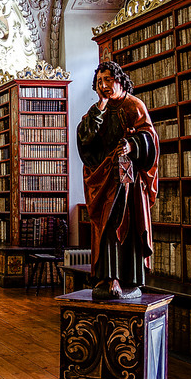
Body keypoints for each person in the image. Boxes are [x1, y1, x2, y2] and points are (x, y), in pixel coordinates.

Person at [76, 61, 159, 299]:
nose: (103, 86)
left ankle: (129, 280)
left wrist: (132, 145)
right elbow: (85, 140)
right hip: (104, 181)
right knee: (106, 228)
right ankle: (107, 277)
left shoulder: (134, 106)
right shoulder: (97, 110)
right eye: (99, 82)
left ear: (120, 80)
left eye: (108, 81)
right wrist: (99, 109)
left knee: (126, 227)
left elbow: (150, 139)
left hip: (128, 183)